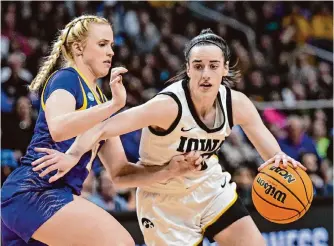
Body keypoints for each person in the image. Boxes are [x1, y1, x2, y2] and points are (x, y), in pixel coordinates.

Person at [32, 29, 306, 246]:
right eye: (198, 66)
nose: (206, 74)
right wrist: (72, 154)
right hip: (163, 200)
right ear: (188, 69)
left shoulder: (237, 104)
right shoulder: (167, 106)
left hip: (208, 188)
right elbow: (103, 127)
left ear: (225, 69)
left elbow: (273, 155)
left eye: (213, 66)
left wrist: (279, 161)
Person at [1, 15, 202, 246]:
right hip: (35, 191)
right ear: (78, 48)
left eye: (112, 45)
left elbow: (120, 173)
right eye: (102, 44)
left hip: (51, 198)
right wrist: (113, 105)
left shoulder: (101, 103)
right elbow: (58, 127)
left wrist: (169, 170)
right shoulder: (67, 79)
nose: (111, 52)